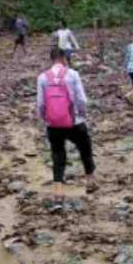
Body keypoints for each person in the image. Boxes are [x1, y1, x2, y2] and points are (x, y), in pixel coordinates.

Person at [37, 47, 95, 187]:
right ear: (64, 59)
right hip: (74, 121)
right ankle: (90, 181)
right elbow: (82, 100)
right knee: (85, 149)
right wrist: (82, 114)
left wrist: (46, 119)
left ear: (51, 59)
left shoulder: (43, 77)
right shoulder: (73, 74)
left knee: (57, 153)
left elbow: (40, 104)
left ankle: (58, 188)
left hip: (53, 124)